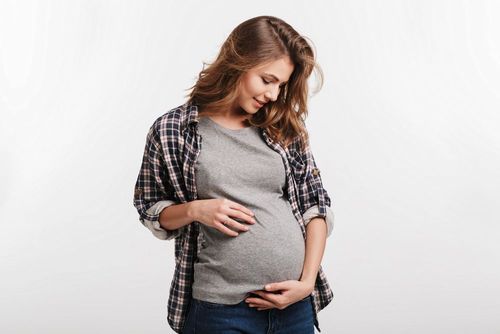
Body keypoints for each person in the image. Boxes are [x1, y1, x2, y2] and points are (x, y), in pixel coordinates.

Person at [133, 15, 335, 334]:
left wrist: (307, 283)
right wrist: (196, 210)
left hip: (293, 307)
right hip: (220, 312)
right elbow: (150, 209)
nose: (272, 94)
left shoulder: (284, 128)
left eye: (281, 85)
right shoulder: (173, 131)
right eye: (267, 79)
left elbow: (316, 208)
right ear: (238, 63)